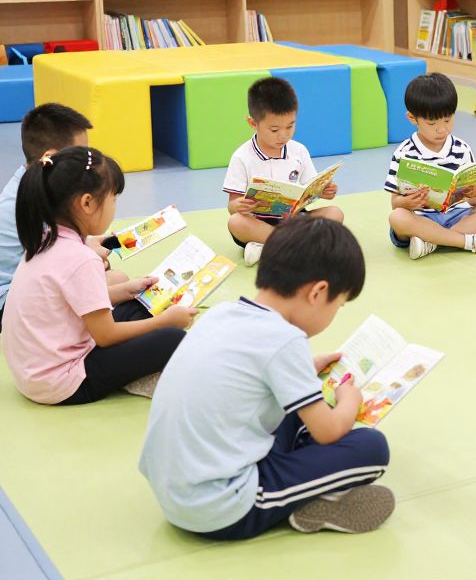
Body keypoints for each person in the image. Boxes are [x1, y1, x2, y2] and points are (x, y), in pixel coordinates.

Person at [139, 216, 394, 539]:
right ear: (318, 292)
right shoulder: (285, 340)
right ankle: (317, 501)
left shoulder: (222, 313)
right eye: (339, 306)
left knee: (298, 410)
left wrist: (305, 369)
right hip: (221, 508)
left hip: (173, 489)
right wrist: (349, 401)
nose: (335, 314)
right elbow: (329, 432)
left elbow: (243, 374)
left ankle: (309, 492)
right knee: (371, 447)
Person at [1, 147, 194, 405]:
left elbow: (73, 303)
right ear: (87, 203)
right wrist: (166, 322)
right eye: (113, 198)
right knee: (172, 337)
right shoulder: (81, 258)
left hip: (34, 373)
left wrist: (127, 289)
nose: (114, 206)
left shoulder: (46, 239)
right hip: (64, 383)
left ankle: (134, 363)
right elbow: (106, 336)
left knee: (137, 305)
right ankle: (136, 379)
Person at [0, 104, 128, 331]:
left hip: (27, 288)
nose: (87, 160)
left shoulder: (35, 186)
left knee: (114, 277)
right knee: (117, 280)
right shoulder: (28, 201)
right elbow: (52, 262)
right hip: (10, 305)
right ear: (49, 157)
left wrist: (88, 245)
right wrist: (90, 255)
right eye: (80, 153)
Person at [385, 73, 476, 259]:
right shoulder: (404, 153)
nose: (442, 129)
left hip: (456, 217)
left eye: (447, 120)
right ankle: (469, 242)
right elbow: (395, 204)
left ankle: (432, 242)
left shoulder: (462, 149)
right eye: (432, 123)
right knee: (397, 218)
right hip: (421, 219)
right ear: (412, 118)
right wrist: (407, 202)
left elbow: (475, 203)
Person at [223, 77, 343, 267]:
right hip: (258, 224)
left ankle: (270, 248)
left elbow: (310, 189)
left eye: (290, 126)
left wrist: (324, 192)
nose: (284, 135)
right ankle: (296, 246)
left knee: (335, 214)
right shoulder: (241, 157)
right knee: (236, 222)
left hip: (294, 221)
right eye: (274, 129)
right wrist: (240, 205)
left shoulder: (299, 151)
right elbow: (232, 206)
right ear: (253, 123)